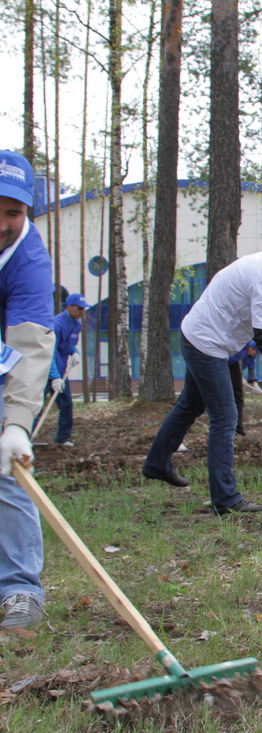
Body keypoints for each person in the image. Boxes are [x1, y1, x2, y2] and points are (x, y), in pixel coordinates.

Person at [141, 223, 262, 514]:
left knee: (190, 405)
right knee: (225, 418)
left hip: (210, 338)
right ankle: (226, 500)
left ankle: (156, 463)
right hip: (207, 343)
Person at [0, 150, 58, 630]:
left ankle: (20, 589)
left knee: (7, 471)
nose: (2, 222)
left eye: (13, 212)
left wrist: (17, 422)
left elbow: (31, 341)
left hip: (6, 364)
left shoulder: (30, 261)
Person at [33, 292, 88, 447]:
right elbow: (50, 352)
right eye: (79, 308)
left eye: (84, 309)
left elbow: (69, 344)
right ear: (69, 307)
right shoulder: (56, 324)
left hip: (62, 371)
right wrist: (54, 376)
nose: (82, 312)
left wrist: (74, 352)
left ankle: (62, 438)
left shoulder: (77, 324)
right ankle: (26, 438)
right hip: (45, 371)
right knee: (37, 405)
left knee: (66, 404)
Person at [227, 340, 259, 436]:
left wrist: (253, 382)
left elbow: (251, 369)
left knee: (238, 399)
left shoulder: (251, 357)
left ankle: (238, 429)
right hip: (228, 370)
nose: (256, 354)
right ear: (250, 348)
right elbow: (231, 361)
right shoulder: (242, 352)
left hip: (235, 373)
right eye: (256, 351)